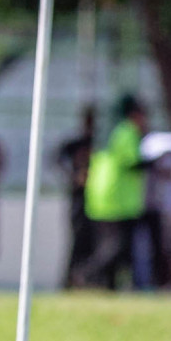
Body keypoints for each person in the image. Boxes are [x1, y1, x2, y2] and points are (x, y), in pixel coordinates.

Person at [78, 95, 150, 290]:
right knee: (116, 247)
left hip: (101, 196)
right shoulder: (126, 131)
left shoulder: (108, 129)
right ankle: (87, 273)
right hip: (118, 199)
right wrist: (154, 161)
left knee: (110, 246)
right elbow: (131, 162)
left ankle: (108, 286)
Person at [57, 106, 98, 287]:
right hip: (78, 198)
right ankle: (71, 279)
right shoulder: (76, 144)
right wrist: (73, 177)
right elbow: (57, 159)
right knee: (77, 239)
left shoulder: (98, 143)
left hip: (97, 198)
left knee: (93, 241)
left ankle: (87, 279)